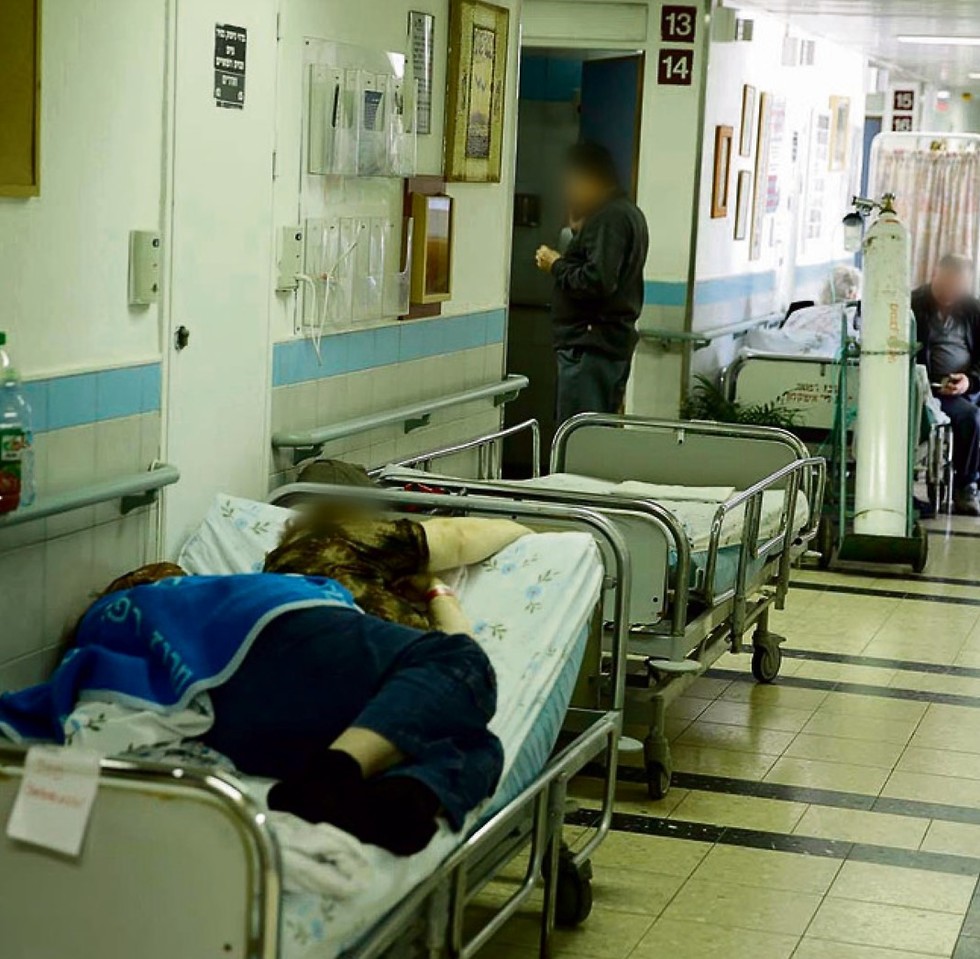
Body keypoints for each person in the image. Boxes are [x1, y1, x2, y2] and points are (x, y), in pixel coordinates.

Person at [0, 514, 532, 857]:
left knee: (471, 741)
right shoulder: (319, 553)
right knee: (461, 684)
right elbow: (461, 584)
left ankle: (382, 796)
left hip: (249, 728)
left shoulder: (136, 619)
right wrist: (531, 538)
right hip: (278, 653)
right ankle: (341, 775)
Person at [534, 142, 649, 425]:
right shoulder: (626, 213)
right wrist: (579, 234)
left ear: (591, 179)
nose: (569, 191)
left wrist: (556, 264)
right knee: (594, 432)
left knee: (579, 435)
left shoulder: (610, 217)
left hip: (590, 347)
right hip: (602, 344)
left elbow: (597, 281)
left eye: (572, 181)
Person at [912, 254, 980, 516]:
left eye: (958, 287)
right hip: (926, 388)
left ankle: (969, 484)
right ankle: (963, 486)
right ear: (935, 276)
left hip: (962, 388)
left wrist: (969, 381)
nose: (952, 292)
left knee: (971, 414)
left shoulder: (973, 310)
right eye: (948, 284)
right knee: (967, 417)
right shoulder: (914, 305)